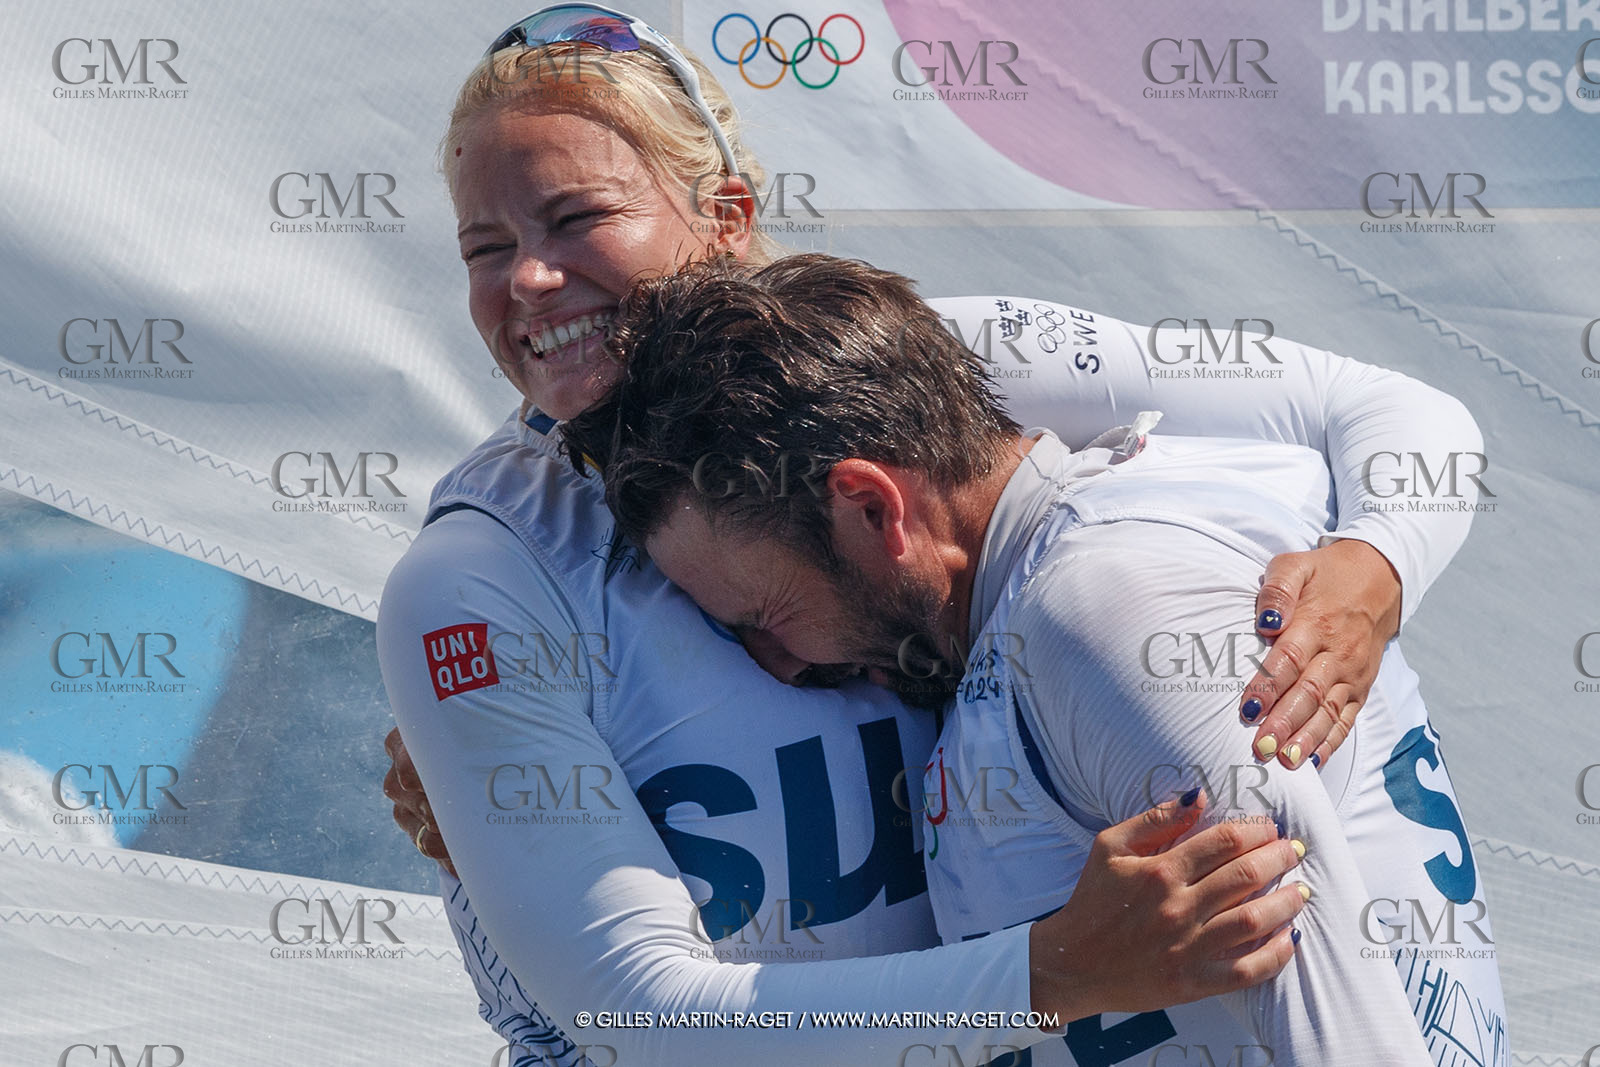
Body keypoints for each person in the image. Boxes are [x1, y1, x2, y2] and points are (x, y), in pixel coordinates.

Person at [376, 5, 1486, 1062]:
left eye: (576, 218)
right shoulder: (477, 579)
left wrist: (1370, 566)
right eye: (483, 246)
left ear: (723, 214)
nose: (527, 276)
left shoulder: (913, 359)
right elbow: (641, 1017)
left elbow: (1393, 414)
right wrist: (1048, 976)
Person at [560, 252, 1509, 1066]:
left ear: (871, 508)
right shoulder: (1087, 544)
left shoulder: (1100, 610)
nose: (774, 664)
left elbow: (1346, 1033)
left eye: (765, 614)